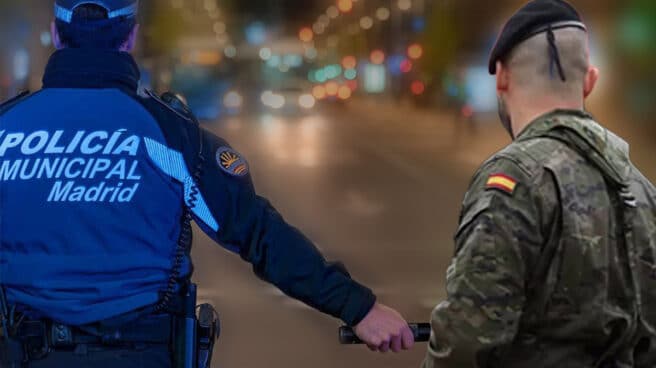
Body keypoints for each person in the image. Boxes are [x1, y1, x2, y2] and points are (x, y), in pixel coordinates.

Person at [0, 1, 415, 367]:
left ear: (56, 34)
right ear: (131, 37)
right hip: (139, 354)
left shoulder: (6, 130)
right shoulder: (170, 134)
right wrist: (358, 308)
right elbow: (257, 232)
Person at [422, 0, 656, 367]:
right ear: (590, 81)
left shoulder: (514, 180)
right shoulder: (639, 186)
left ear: (501, 77)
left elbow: (465, 344)